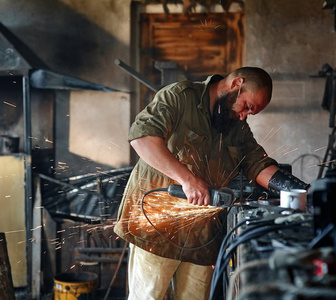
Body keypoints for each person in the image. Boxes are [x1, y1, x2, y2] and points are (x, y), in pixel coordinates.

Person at [113, 67, 309, 300]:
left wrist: (304, 191)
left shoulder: (236, 126)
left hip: (202, 237)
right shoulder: (179, 97)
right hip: (158, 228)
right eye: (247, 106)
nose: (244, 115)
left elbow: (258, 164)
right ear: (237, 83)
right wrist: (187, 179)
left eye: (250, 113)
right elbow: (142, 138)